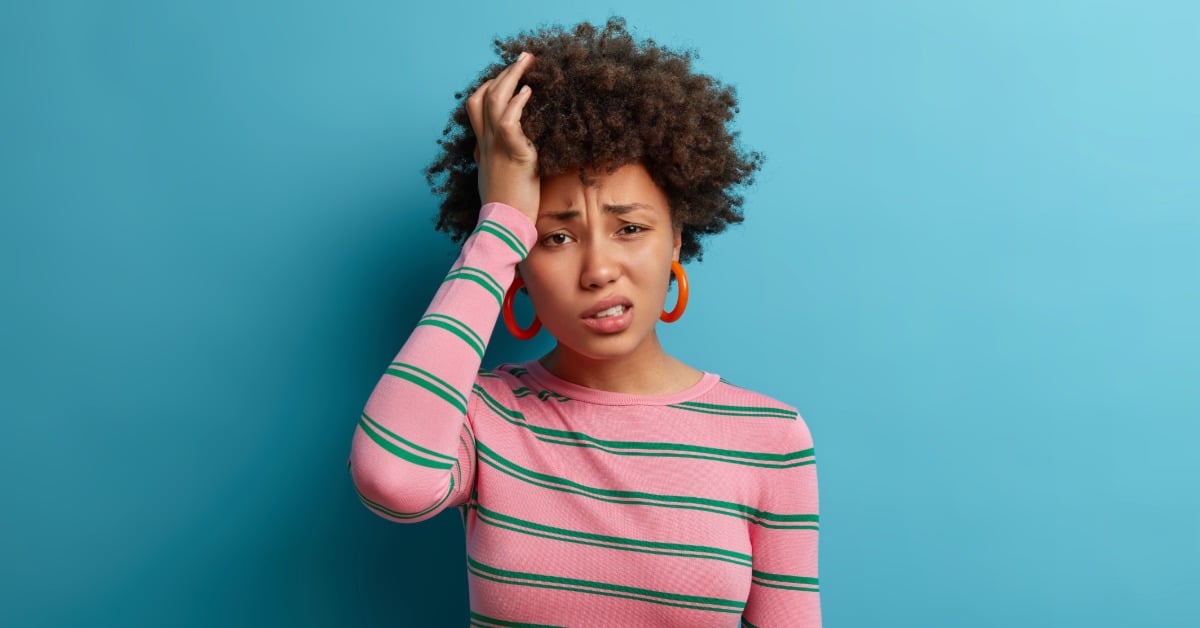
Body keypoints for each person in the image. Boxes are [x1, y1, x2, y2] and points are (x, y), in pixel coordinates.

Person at [348, 17, 820, 627]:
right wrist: (498, 228)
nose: (599, 269)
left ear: (676, 236)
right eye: (558, 236)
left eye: (631, 229)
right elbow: (392, 480)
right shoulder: (484, 417)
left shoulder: (769, 438)